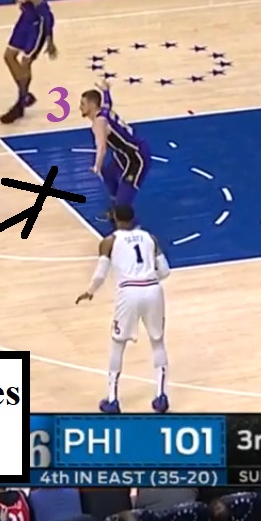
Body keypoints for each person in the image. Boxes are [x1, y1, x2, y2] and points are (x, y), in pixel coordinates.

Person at [76, 203, 171, 414]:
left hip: (129, 292)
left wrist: (90, 291)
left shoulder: (109, 242)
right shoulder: (150, 238)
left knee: (118, 344)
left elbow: (100, 274)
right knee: (157, 342)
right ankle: (161, 396)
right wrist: (147, 276)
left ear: (114, 218)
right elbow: (165, 271)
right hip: (153, 289)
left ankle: (112, 400)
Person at [82, 79, 151, 217]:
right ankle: (115, 207)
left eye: (83, 104)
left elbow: (102, 147)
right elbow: (108, 102)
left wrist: (96, 166)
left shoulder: (99, 122)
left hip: (136, 157)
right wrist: (106, 91)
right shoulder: (104, 111)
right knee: (108, 173)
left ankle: (124, 219)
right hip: (124, 154)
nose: (80, 107)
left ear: (92, 105)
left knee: (123, 203)